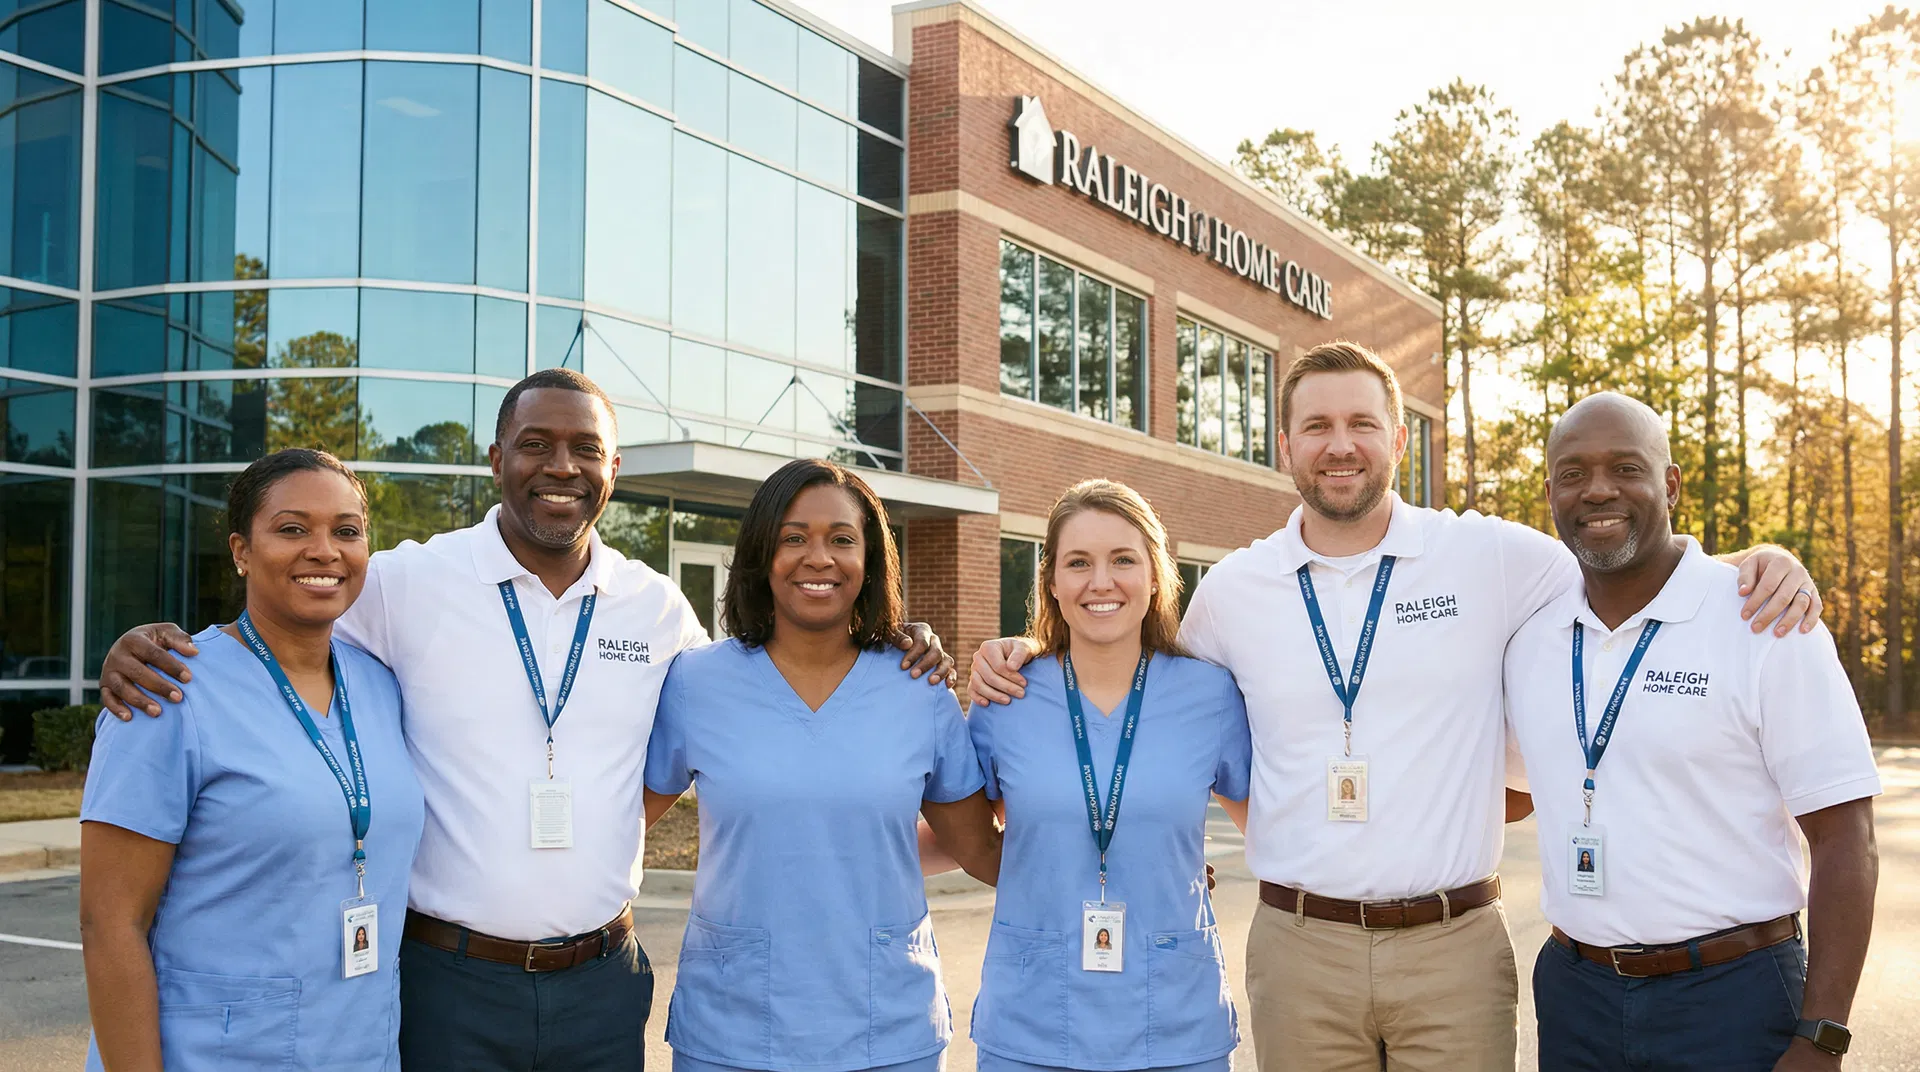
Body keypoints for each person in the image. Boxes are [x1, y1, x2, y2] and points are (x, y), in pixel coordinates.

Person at [970, 342, 1824, 1071]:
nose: (1340, 446)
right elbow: (1152, 701)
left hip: (1452, 944)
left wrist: (1755, 561)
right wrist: (1019, 652)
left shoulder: (1488, 556)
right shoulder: (1232, 593)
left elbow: (1630, 557)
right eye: (1317, 427)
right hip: (1299, 945)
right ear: (1285, 445)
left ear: (1397, 439)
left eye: (1361, 425)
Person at [93, 369, 956, 1071]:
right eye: (536, 444)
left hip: (601, 983)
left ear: (615, 469)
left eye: (588, 448)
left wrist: (900, 639)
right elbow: (284, 621)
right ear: (496, 456)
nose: (562, 466)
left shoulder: (656, 610)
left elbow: (732, 711)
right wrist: (146, 641)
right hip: (447, 980)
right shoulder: (403, 582)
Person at [1505, 392, 1879, 1071]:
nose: (1598, 490)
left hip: (1734, 997)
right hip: (1575, 996)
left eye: (1625, 468)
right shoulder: (1530, 635)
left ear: (1670, 483)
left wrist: (1822, 1035)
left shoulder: (1765, 621)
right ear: (1551, 490)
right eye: (1573, 473)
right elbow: (1509, 792)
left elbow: (1845, 833)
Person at [641, 458, 1001, 1072]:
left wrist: (1135, 863)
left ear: (871, 560)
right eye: (793, 537)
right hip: (733, 1033)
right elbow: (620, 829)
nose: (819, 557)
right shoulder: (697, 683)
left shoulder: (918, 688)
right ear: (762, 552)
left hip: (887, 1032)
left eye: (842, 539)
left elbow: (980, 850)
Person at [78, 449, 426, 1071]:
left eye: (346, 531)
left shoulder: (382, 686)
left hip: (362, 1049)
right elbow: (110, 924)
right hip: (214, 1054)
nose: (324, 550)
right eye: (292, 529)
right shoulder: (167, 690)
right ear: (241, 551)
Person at [957, 479, 1250, 1072]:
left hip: (1176, 1022)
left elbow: (1270, 832)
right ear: (1053, 583)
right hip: (1031, 1021)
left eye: (1123, 559)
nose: (1101, 581)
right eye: (1078, 562)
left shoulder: (1212, 695)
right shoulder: (1004, 693)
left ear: (1155, 575)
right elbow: (965, 835)